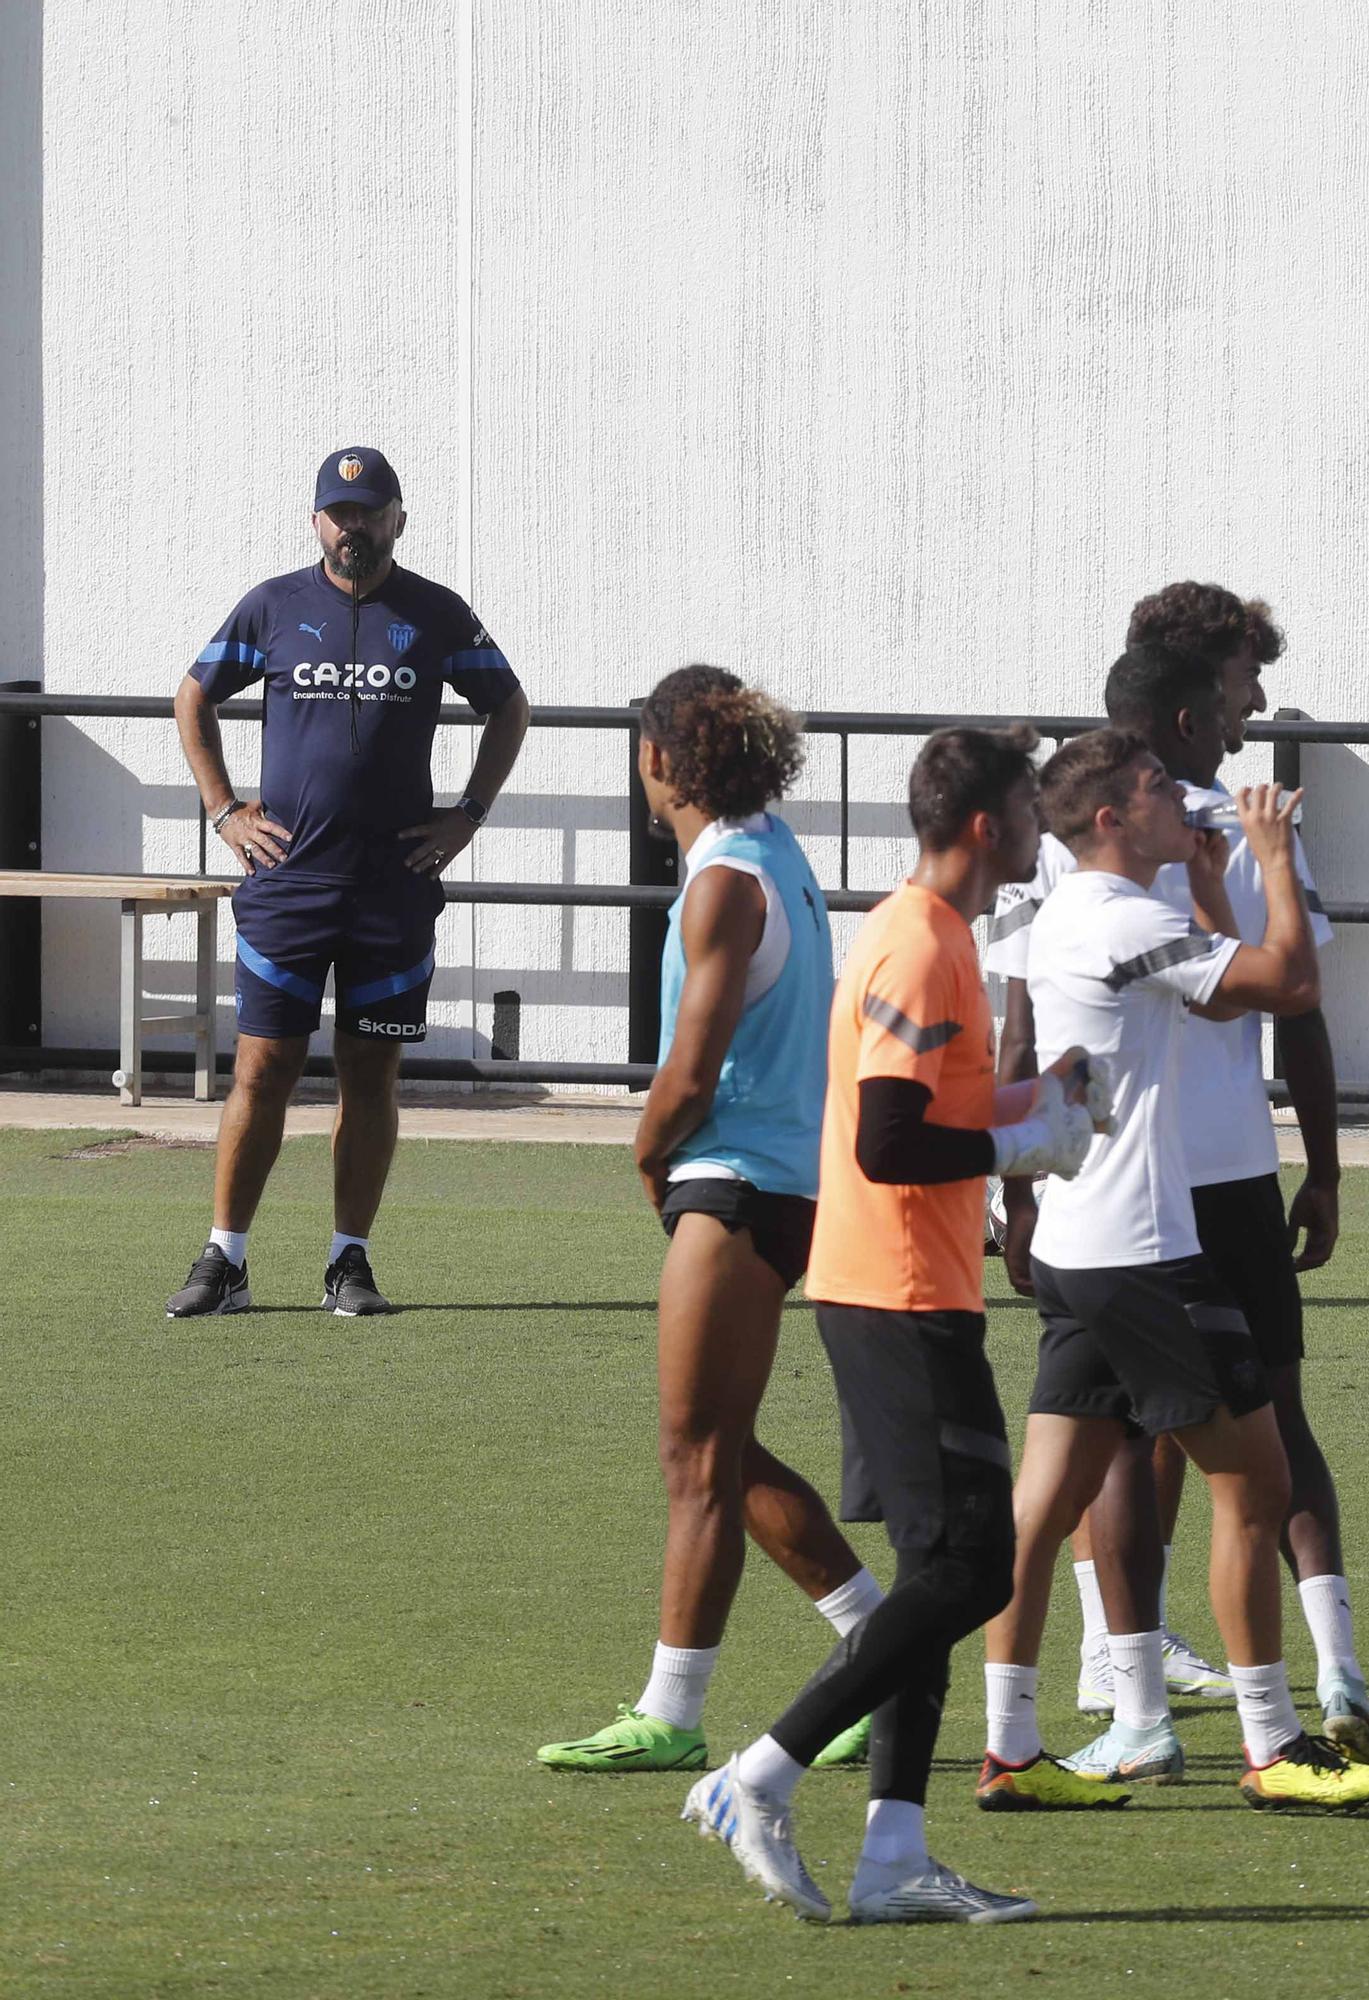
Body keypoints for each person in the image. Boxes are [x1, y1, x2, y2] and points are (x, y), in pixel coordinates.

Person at [683, 726, 1099, 1925]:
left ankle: (894, 1853)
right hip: (899, 1292)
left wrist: (1038, 1097)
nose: (1042, 824)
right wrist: (1021, 1144)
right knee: (972, 1567)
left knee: (938, 1571)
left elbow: (939, 1108)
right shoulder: (921, 943)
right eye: (1030, 804)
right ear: (985, 824)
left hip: (904, 1286)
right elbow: (888, 1140)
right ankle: (760, 1771)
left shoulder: (927, 930)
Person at [974, 728, 1369, 1814]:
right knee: (1254, 1481)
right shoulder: (1124, 916)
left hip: (1080, 1247)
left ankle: (1009, 1746)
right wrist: (1265, 858)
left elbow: (1216, 997)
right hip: (1147, 1253)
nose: (1189, 798)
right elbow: (1289, 980)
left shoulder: (1081, 912)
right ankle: (1271, 1746)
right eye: (1165, 789)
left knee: (1040, 1505)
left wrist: (1209, 878)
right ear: (1113, 817)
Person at [538, 666, 883, 1776]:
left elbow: (691, 1066)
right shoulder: (773, 850)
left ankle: (671, 1709)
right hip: (777, 1183)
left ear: (658, 758)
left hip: (732, 1183)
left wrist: (648, 1153)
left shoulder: (726, 879)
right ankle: (881, 1648)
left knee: (692, 1453)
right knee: (721, 1449)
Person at [166, 447, 529, 1318]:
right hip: (288, 889)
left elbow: (509, 706)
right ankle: (226, 1262)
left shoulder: (437, 614)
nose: (352, 527)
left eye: (368, 512)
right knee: (262, 1072)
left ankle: (348, 1261)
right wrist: (223, 810)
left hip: (391, 893)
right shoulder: (274, 605)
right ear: (316, 520)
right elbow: (192, 695)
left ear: (398, 518)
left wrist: (468, 816)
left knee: (372, 1077)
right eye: (338, 512)